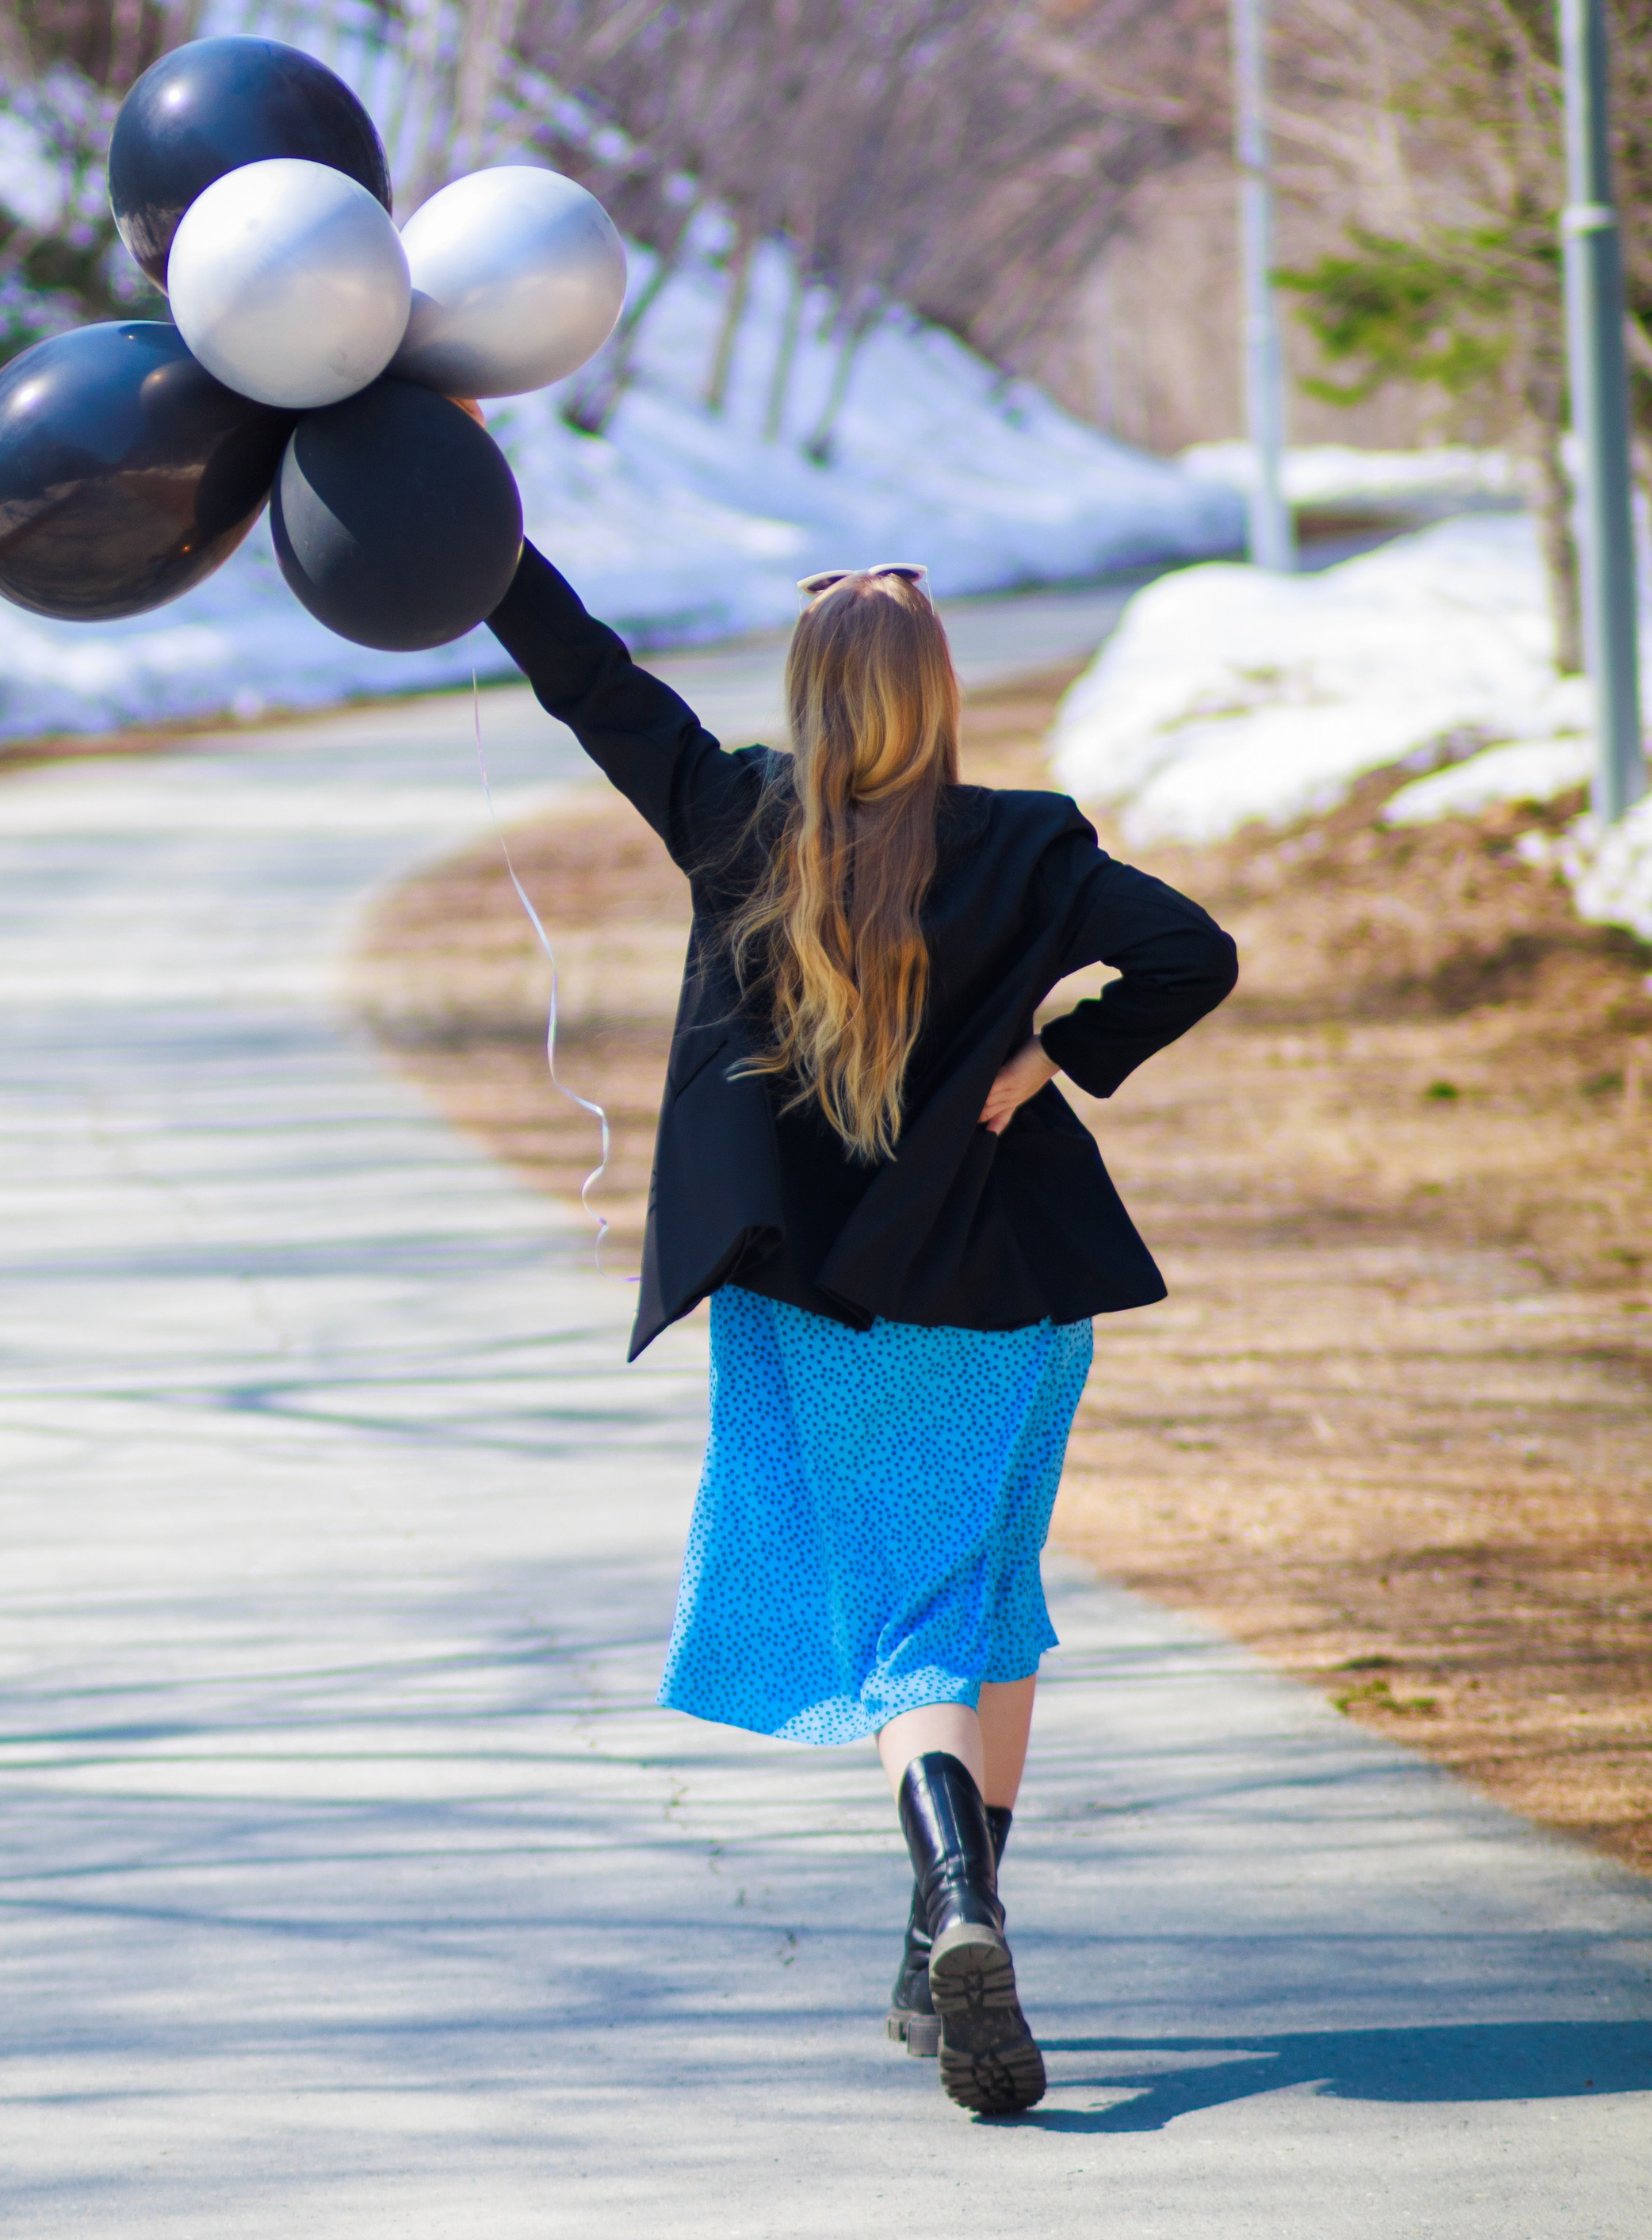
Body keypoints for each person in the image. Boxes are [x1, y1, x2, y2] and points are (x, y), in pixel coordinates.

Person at [486, 541, 1238, 2118]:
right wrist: (1053, 1057)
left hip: (816, 1297)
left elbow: (584, 676)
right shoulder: (1027, 844)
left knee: (910, 1631)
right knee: (977, 1594)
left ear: (812, 698)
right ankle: (947, 1932)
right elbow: (1191, 952)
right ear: (939, 694)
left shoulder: (739, 818)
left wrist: (467, 512)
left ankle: (948, 1905)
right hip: (1006, 1288)